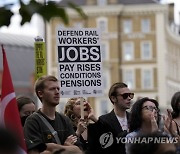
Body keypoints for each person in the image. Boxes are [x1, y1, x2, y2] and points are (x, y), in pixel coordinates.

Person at [23, 75, 83, 154]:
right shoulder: (33, 121)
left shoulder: (65, 120)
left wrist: (53, 147)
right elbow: (34, 151)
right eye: (52, 89)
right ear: (40, 94)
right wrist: (66, 147)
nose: (57, 92)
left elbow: (78, 151)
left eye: (58, 89)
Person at [87, 82, 134, 154]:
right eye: (125, 96)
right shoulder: (103, 120)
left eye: (130, 95)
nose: (129, 98)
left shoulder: (135, 119)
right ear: (113, 98)